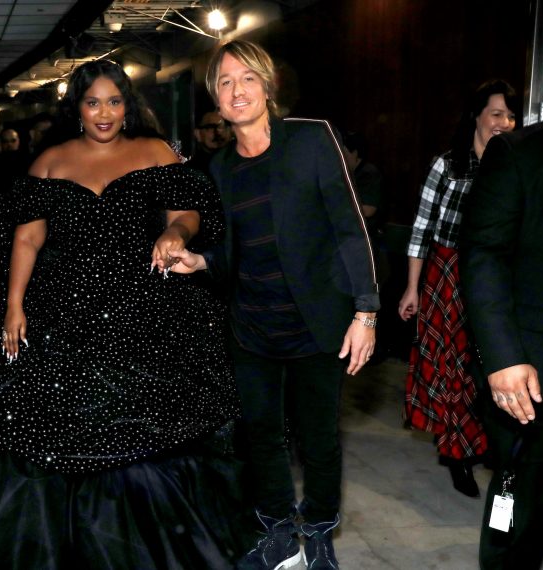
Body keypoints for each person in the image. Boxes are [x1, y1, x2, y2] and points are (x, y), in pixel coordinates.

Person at [0, 59, 248, 568]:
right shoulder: (50, 160)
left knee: (144, 424)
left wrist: (174, 233)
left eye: (115, 101)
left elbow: (186, 212)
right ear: (77, 108)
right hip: (64, 306)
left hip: (144, 305)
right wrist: (13, 306)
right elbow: (27, 239)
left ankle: (141, 541)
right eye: (93, 102)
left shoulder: (154, 151)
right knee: (45, 422)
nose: (105, 113)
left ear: (127, 105)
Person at [169, 40, 379, 569]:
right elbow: (233, 250)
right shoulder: (218, 168)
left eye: (246, 78)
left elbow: (350, 230)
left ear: (268, 85)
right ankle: (279, 531)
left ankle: (321, 530)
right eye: (224, 82)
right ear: (215, 99)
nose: (236, 90)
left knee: (319, 439)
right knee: (261, 436)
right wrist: (201, 263)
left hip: (316, 325)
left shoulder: (311, 139)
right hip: (251, 328)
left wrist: (365, 312)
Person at [399, 80, 519, 497]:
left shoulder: (514, 166)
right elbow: (421, 228)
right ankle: (458, 453)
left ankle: (479, 441)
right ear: (477, 116)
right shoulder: (448, 165)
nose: (504, 122)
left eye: (510, 115)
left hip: (497, 279)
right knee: (453, 368)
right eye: (496, 113)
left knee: (486, 367)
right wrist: (412, 287)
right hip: (446, 276)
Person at [460, 107, 543, 570]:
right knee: (516, 523)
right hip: (538, 381)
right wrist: (501, 358)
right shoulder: (521, 151)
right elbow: (484, 255)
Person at [188, 109, 232, 175]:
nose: (218, 132)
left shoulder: (239, 164)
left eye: (222, 127)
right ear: (198, 134)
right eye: (210, 127)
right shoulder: (191, 171)